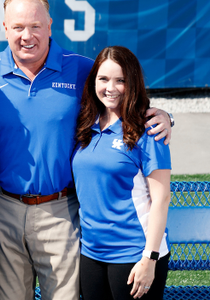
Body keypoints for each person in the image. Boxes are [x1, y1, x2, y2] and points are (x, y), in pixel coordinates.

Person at [0, 0, 173, 300]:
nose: (27, 35)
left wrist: (166, 117)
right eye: (18, 27)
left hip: (61, 209)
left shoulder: (82, 70)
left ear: (50, 25)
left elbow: (120, 99)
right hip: (3, 207)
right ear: (4, 28)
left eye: (36, 26)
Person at [72, 46, 171, 300]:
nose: (110, 87)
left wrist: (150, 259)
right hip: (92, 253)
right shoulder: (86, 124)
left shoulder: (149, 131)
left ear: (133, 83)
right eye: (103, 79)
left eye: (120, 80)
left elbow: (161, 199)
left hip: (134, 254)